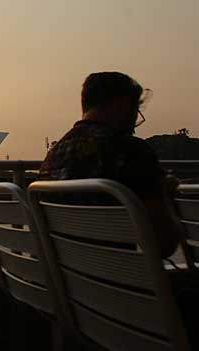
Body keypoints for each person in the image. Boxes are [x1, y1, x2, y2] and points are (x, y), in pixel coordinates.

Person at [39, 71, 181, 258]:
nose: (135, 119)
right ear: (123, 104)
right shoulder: (129, 151)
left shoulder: (53, 157)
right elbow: (163, 246)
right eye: (136, 108)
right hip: (116, 280)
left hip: (63, 281)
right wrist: (165, 197)